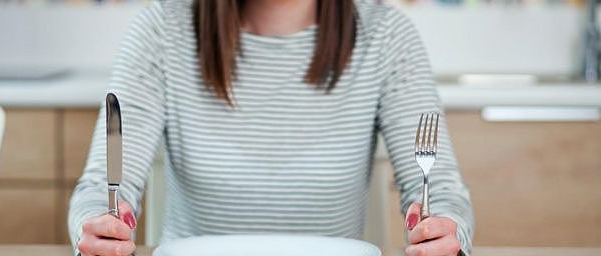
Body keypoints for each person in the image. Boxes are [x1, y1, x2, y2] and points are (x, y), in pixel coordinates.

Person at [68, 0, 474, 255]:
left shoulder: (388, 35)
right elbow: (100, 187)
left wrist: (442, 233)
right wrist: (99, 231)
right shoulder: (160, 30)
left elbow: (439, 190)